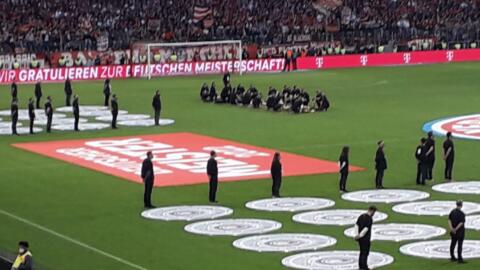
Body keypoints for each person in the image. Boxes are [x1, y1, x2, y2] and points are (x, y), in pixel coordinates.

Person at [355, 206, 377, 270]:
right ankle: (364, 267)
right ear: (371, 211)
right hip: (365, 239)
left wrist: (356, 235)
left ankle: (361, 266)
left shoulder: (361, 216)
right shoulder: (369, 219)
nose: (374, 214)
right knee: (365, 253)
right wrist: (360, 235)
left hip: (360, 239)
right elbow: (366, 229)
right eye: (374, 212)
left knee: (362, 252)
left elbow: (356, 225)